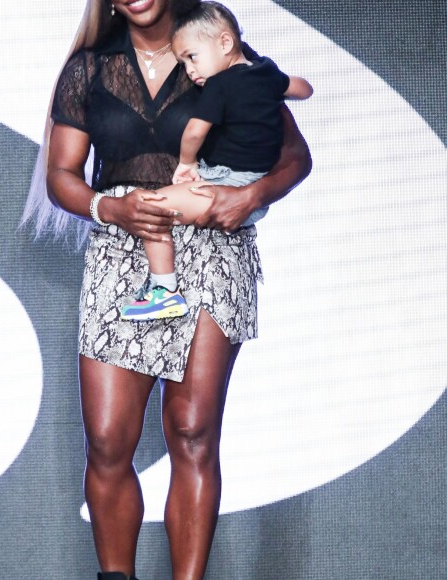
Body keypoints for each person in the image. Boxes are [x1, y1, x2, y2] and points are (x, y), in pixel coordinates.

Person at [23, 0, 311, 578]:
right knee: (107, 440)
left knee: (192, 431)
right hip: (121, 246)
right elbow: (61, 175)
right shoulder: (89, 69)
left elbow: (294, 157)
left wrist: (248, 197)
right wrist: (111, 207)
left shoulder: (215, 53)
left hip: (210, 247)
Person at [120, 1, 313, 322]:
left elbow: (195, 132)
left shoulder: (218, 84)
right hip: (252, 190)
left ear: (225, 43)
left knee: (149, 208)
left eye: (192, 58)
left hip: (225, 185)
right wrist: (277, 91)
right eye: (183, 64)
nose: (191, 71)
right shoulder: (264, 71)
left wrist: (186, 163)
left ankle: (164, 292)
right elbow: (303, 88)